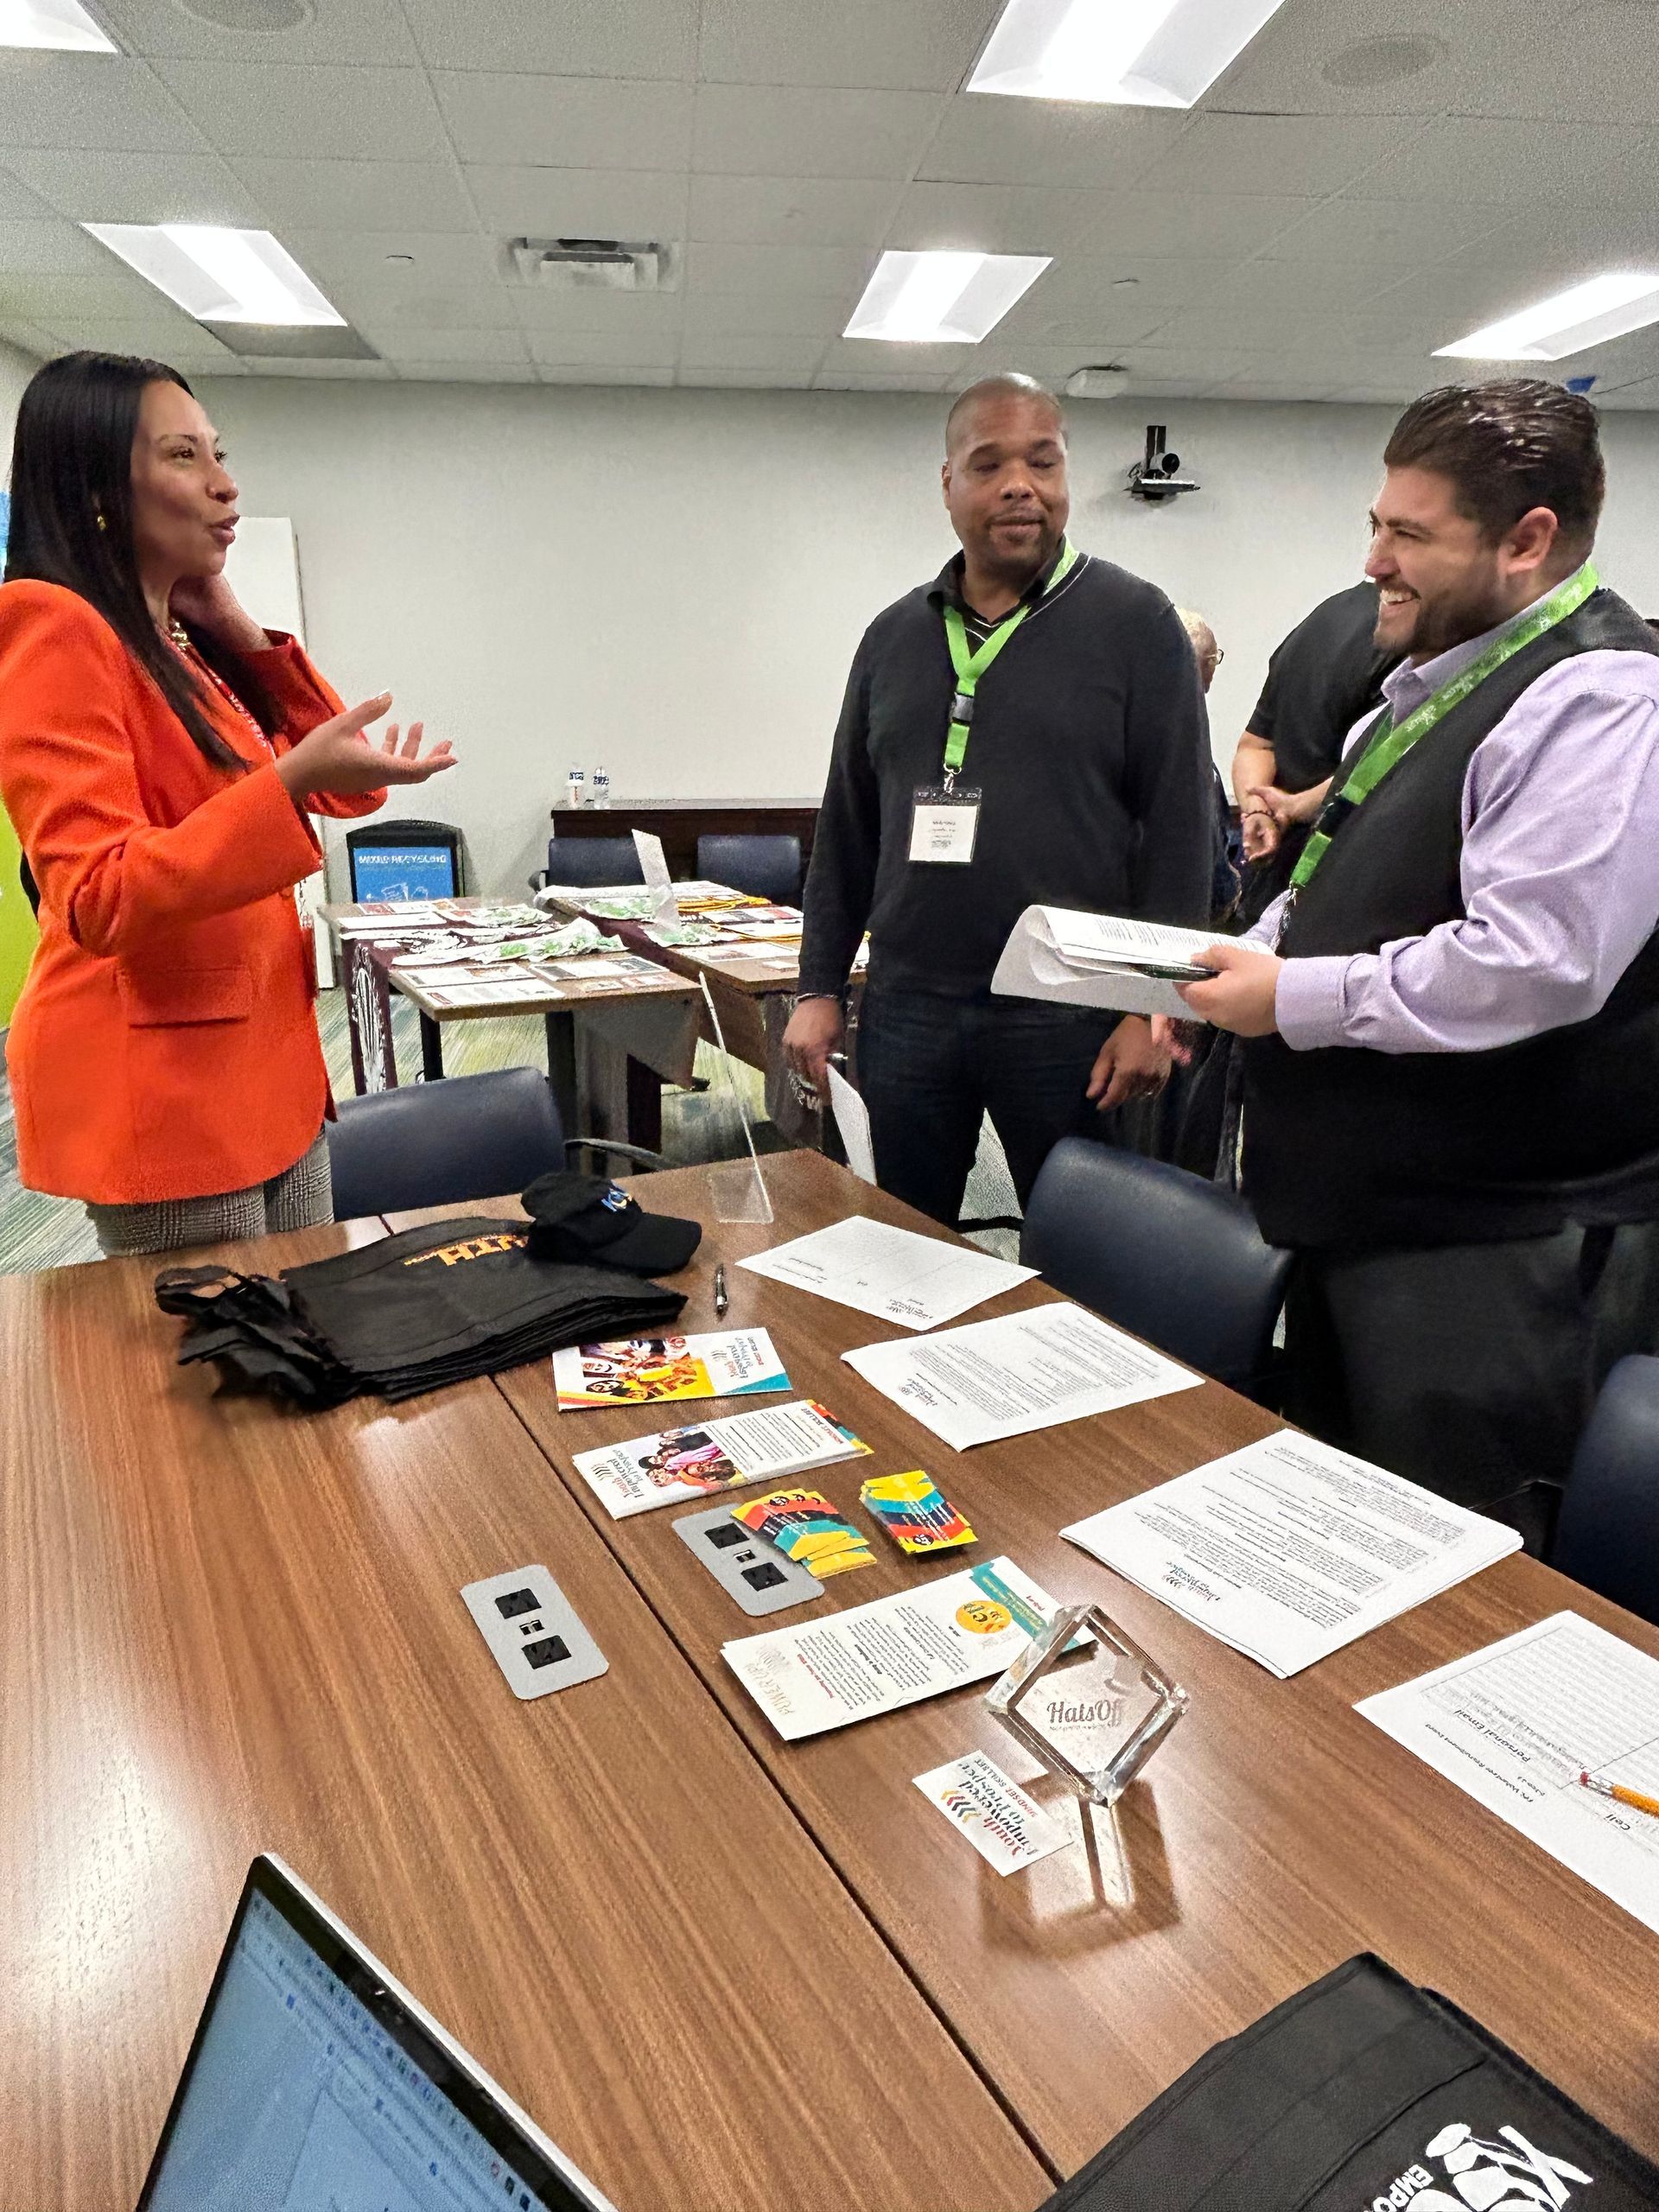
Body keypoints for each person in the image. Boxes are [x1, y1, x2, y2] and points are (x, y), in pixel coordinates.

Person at [1179, 379, 1659, 1545]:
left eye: (1409, 534)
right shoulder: (1420, 696)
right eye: (1375, 525)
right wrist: (1252, 949)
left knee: (1466, 1565)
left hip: (1493, 1255)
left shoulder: (1603, 700)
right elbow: (1336, 881)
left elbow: (1538, 962)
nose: (1375, 563)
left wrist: (1292, 998)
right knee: (1357, 1538)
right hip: (1366, 1222)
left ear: (1526, 541)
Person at [0, 352, 455, 1256]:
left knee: (311, 1313)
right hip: (164, 1085)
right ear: (97, 489)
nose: (224, 484)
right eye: (184, 457)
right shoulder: (52, 622)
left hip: (266, 1065)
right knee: (228, 1343)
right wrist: (282, 785)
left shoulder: (174, 638)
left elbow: (348, 784)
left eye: (219, 453)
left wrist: (234, 626)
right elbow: (97, 894)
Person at [784, 373, 1211, 1225]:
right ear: (948, 483)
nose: (1020, 484)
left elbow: (1181, 831)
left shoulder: (1136, 624)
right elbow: (849, 826)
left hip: (1074, 1010)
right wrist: (818, 986)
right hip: (909, 1004)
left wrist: (1152, 1007)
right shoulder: (893, 638)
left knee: (1087, 1253)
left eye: (1042, 462)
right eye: (990, 464)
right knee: (903, 1244)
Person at [1231, 579, 1396, 921]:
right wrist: (1290, 809)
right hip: (1329, 882)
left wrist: (1258, 810)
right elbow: (1374, 768)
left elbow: (1255, 745)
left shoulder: (1318, 620)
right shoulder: (1403, 637)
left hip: (1269, 882)